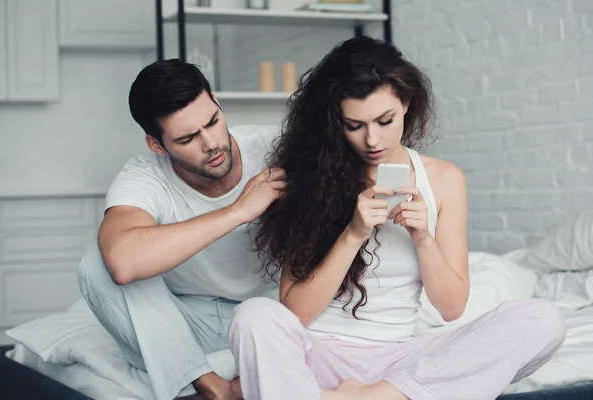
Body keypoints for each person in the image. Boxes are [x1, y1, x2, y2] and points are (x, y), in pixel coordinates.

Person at [227, 36, 566, 400]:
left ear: (406, 103)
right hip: (319, 353)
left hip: (398, 363)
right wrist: (353, 235)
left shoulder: (444, 179)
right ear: (333, 122)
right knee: (253, 316)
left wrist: (423, 239)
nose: (372, 139)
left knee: (543, 320)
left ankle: (361, 397)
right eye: (354, 125)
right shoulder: (310, 180)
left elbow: (451, 309)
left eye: (384, 120)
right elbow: (296, 313)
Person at [77, 59, 286, 400]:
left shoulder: (273, 149)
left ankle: (225, 370)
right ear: (156, 145)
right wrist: (238, 211)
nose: (211, 144)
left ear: (216, 101)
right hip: (187, 327)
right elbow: (122, 260)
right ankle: (210, 385)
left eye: (213, 122)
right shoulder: (143, 177)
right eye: (188, 138)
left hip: (267, 314)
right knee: (97, 265)